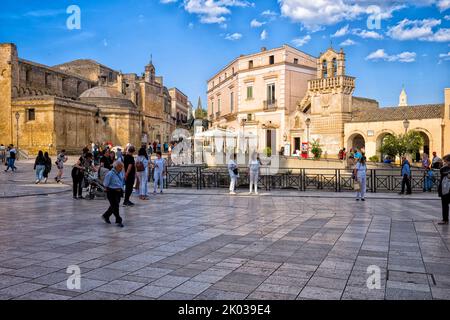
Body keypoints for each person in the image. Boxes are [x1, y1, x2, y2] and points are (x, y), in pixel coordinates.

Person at [102, 161, 125, 228]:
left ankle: (106, 216)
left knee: (114, 206)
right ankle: (119, 220)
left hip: (118, 192)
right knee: (115, 206)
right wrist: (106, 189)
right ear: (115, 167)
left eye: (122, 167)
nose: (121, 168)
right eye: (120, 167)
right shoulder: (110, 174)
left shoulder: (120, 173)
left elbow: (121, 182)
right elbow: (105, 183)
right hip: (111, 192)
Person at [438, 154, 450, 225]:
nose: (444, 162)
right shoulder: (443, 169)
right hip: (444, 190)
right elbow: (442, 171)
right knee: (444, 205)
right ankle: (445, 219)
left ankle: (445, 220)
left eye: (445, 161)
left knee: (445, 204)